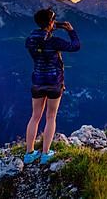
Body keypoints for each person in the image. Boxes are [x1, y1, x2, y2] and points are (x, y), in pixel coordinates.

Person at [23, 8, 80, 164]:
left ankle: (29, 153)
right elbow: (75, 46)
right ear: (50, 23)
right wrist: (70, 31)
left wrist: (50, 27)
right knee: (50, 117)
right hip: (54, 83)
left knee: (35, 117)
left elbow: (40, 39)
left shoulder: (30, 40)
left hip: (38, 81)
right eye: (53, 20)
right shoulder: (53, 41)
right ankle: (46, 154)